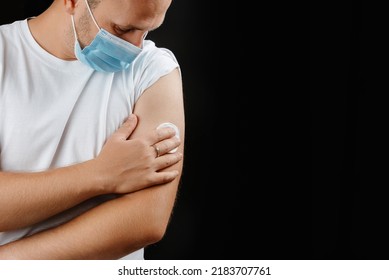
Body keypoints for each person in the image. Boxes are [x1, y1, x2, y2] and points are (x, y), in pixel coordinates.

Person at [0, 0, 184, 260]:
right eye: (122, 29)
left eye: (147, 31)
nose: (137, 47)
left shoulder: (153, 70)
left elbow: (146, 220)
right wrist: (100, 175)